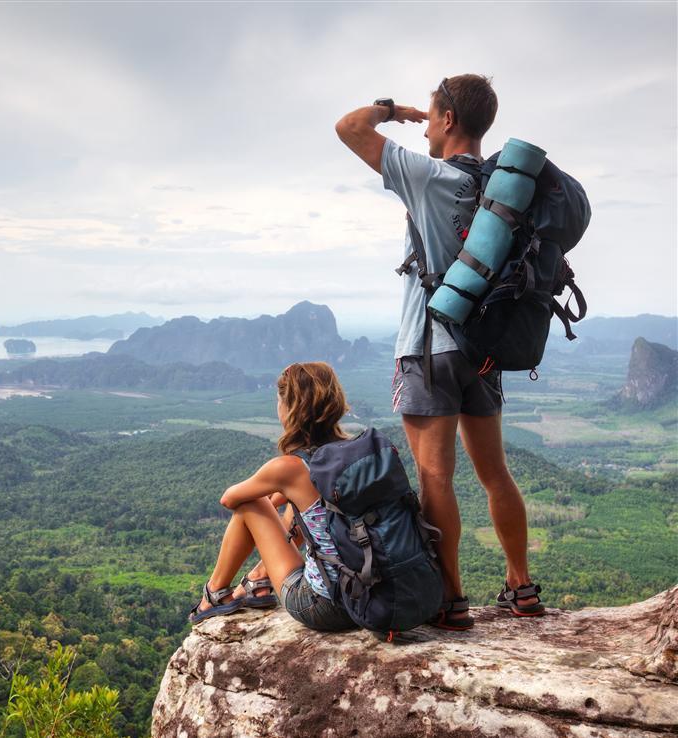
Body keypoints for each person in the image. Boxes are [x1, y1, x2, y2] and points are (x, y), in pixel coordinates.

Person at [333, 74, 544, 629]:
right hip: (484, 349)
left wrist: (392, 109)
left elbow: (348, 127)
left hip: (429, 348)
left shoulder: (428, 177)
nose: (423, 125)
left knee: (435, 479)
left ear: (448, 120)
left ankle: (451, 599)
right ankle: (521, 587)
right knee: (495, 473)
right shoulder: (503, 189)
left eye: (430, 116)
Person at [188, 362, 358, 632]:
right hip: (371, 597)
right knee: (299, 504)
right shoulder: (354, 451)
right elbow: (302, 496)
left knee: (251, 503)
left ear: (289, 408)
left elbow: (230, 499)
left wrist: (272, 500)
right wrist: (285, 496)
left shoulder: (289, 468)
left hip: (326, 607)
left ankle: (214, 593)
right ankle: (258, 579)